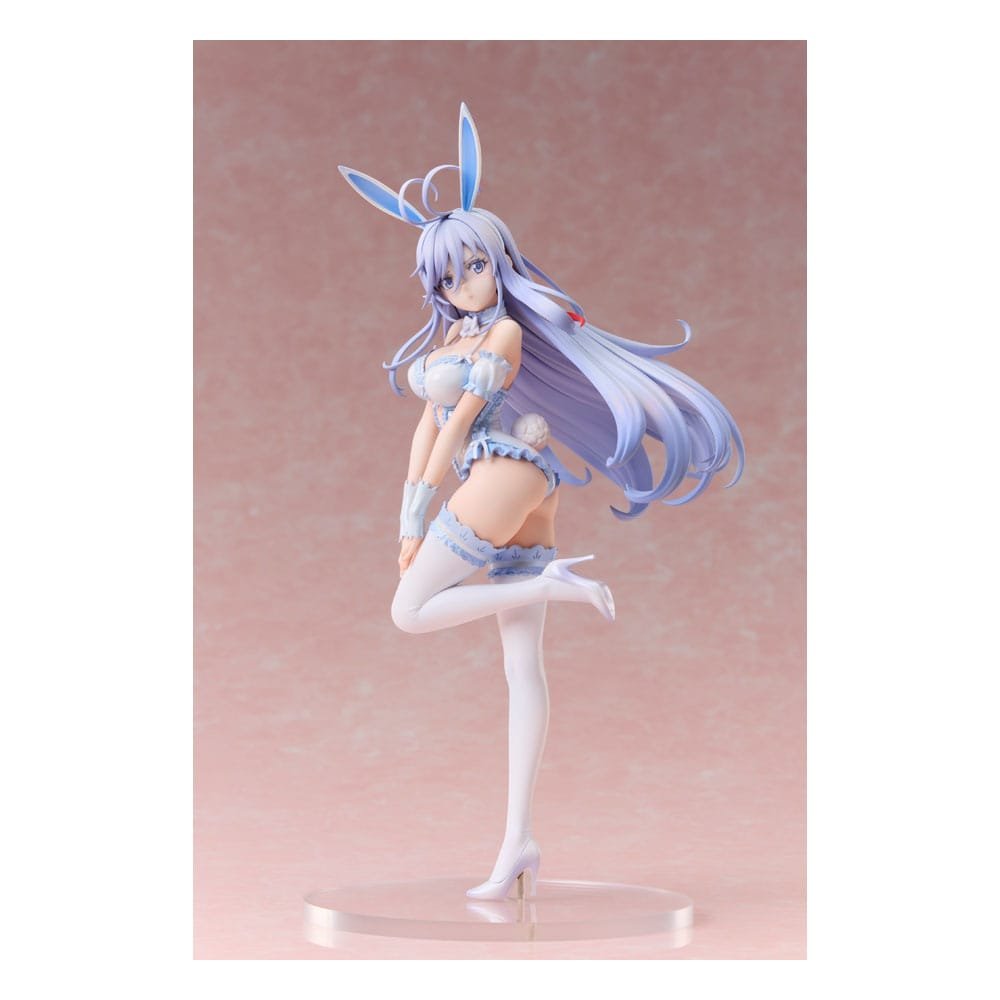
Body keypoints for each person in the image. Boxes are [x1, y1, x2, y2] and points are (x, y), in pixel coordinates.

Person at [339, 104, 744, 901]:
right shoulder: (450, 341)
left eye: (473, 268)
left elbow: (459, 421)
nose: (462, 286)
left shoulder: (502, 336)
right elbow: (427, 427)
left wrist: (420, 514)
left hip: (504, 472)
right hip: (523, 487)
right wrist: (408, 512)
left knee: (409, 611)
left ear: (499, 260)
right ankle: (518, 840)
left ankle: (554, 584)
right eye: (446, 278)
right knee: (521, 667)